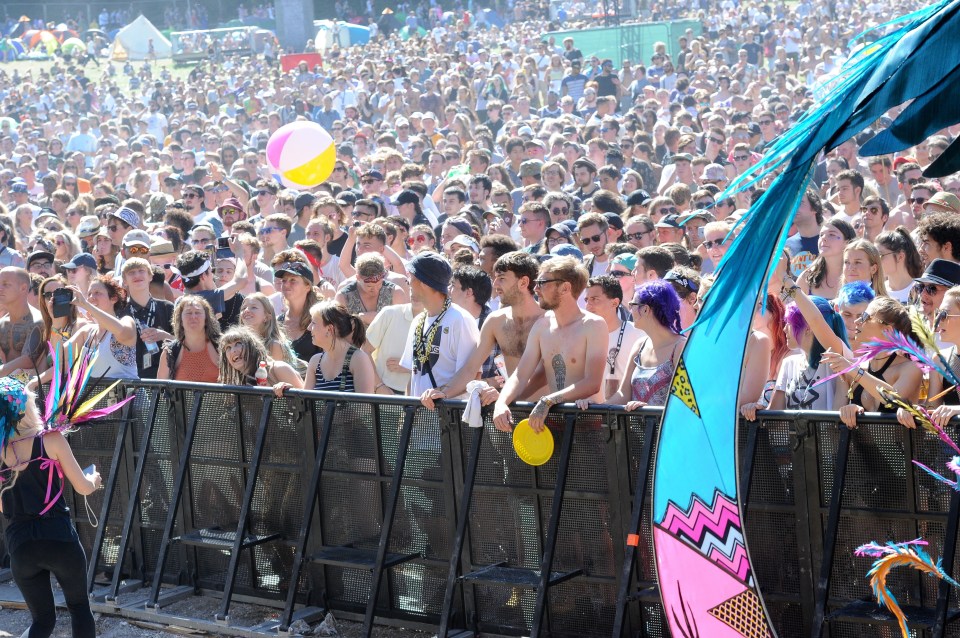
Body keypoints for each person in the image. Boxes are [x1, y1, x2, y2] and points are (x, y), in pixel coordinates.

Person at [0, 377, 102, 638]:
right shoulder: (51, 440)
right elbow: (82, 487)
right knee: (79, 608)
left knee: (42, 620)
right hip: (58, 537)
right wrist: (94, 480)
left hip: (20, 546)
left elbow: (2, 507)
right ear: (26, 408)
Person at [493, 256, 607, 432]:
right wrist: (502, 403)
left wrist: (549, 400)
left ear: (565, 288)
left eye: (542, 282)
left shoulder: (593, 325)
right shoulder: (542, 324)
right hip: (552, 423)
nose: (536, 288)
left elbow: (592, 382)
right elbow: (520, 375)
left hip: (588, 425)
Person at [420, 251, 546, 408]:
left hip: (547, 413)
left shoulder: (549, 321)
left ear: (523, 282)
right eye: (495, 278)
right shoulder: (495, 321)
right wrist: (443, 393)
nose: (495, 285)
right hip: (510, 411)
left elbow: (545, 375)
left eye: (502, 279)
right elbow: (470, 369)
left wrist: (504, 396)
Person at [586, 280, 686, 410]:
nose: (629, 309)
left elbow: (685, 400)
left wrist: (650, 409)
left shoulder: (680, 348)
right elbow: (623, 395)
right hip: (637, 429)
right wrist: (594, 408)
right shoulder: (640, 345)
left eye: (632, 304)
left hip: (667, 429)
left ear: (645, 310)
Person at [400, 252, 481, 397]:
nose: (408, 282)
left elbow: (473, 374)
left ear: (424, 282)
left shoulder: (460, 320)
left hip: (448, 415)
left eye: (410, 277)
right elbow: (413, 375)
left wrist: (441, 395)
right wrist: (407, 411)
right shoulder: (418, 321)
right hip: (419, 415)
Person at [583, 274, 646, 399]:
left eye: (595, 299)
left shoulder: (637, 333)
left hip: (627, 412)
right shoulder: (581, 335)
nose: (588, 306)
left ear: (615, 303)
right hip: (592, 412)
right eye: (586, 300)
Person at [66, 276, 139, 379]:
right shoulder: (87, 331)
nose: (91, 297)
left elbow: (122, 331)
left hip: (128, 394)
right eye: (89, 294)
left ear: (113, 298)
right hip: (97, 394)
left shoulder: (126, 321)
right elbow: (57, 357)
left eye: (97, 293)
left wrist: (87, 305)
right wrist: (56, 320)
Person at [301, 301, 376, 394]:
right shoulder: (315, 361)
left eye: (313, 323)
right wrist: (287, 389)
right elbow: (305, 403)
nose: (309, 327)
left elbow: (365, 406)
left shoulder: (358, 359)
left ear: (329, 329)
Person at [218, 326, 303, 393]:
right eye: (228, 347)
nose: (233, 351)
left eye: (238, 343)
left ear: (253, 348)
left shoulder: (278, 368)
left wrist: (288, 390)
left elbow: (306, 403)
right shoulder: (237, 382)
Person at [158, 295, 221, 383]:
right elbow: (161, 390)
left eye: (198, 312)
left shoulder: (222, 346)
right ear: (180, 320)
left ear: (206, 319)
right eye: (188, 313)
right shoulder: (170, 352)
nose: (193, 317)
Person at [239, 292, 299, 367]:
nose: (246, 310)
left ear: (266, 317)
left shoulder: (274, 345)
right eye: (243, 308)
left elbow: (275, 376)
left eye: (254, 307)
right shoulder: (240, 344)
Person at [800, 218, 855, 298]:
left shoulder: (857, 274)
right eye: (821, 235)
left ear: (847, 242)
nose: (823, 238)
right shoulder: (807, 277)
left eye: (832, 235)